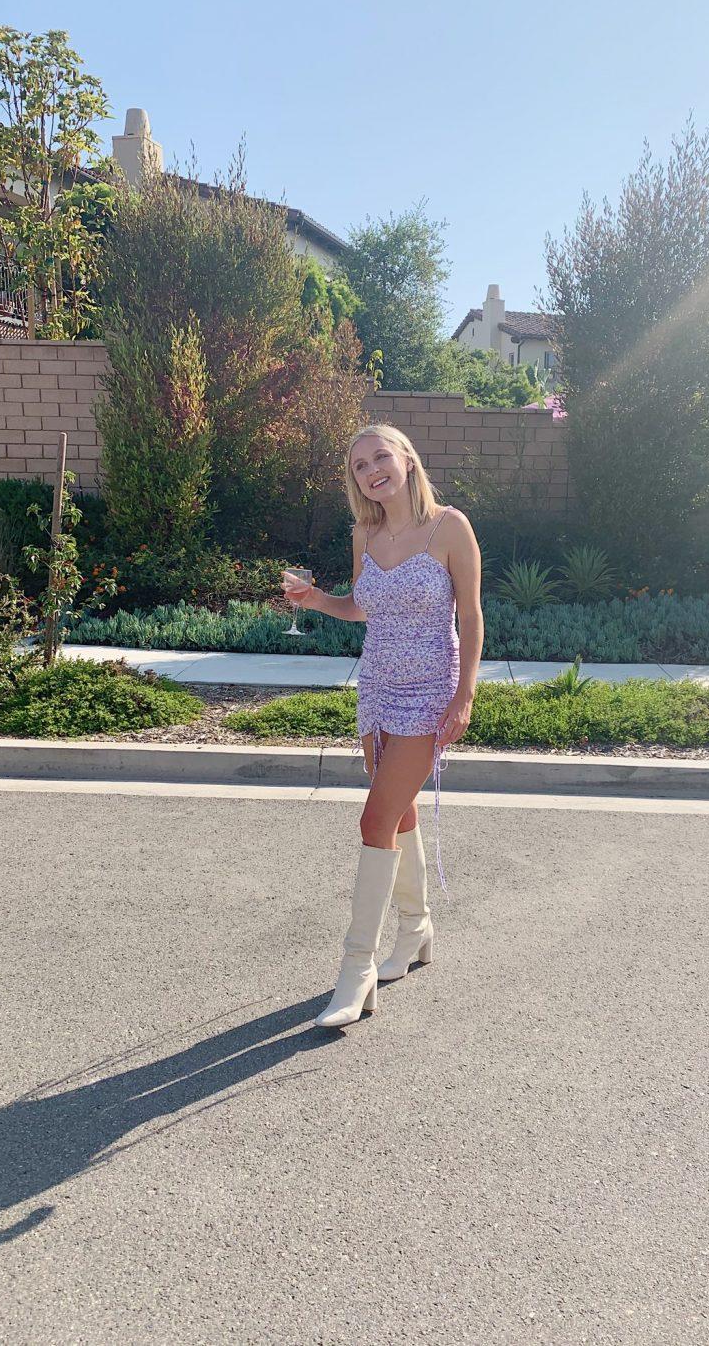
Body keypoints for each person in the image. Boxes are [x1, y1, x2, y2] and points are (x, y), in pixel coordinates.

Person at [282, 423, 484, 1029]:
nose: (372, 469)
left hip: (428, 693)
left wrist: (464, 695)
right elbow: (363, 607)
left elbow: (471, 619)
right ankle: (417, 929)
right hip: (376, 688)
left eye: (380, 456)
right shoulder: (364, 532)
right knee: (400, 814)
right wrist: (317, 601)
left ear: (406, 459)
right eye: (359, 464)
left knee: (374, 819)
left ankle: (356, 969)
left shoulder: (450, 527)